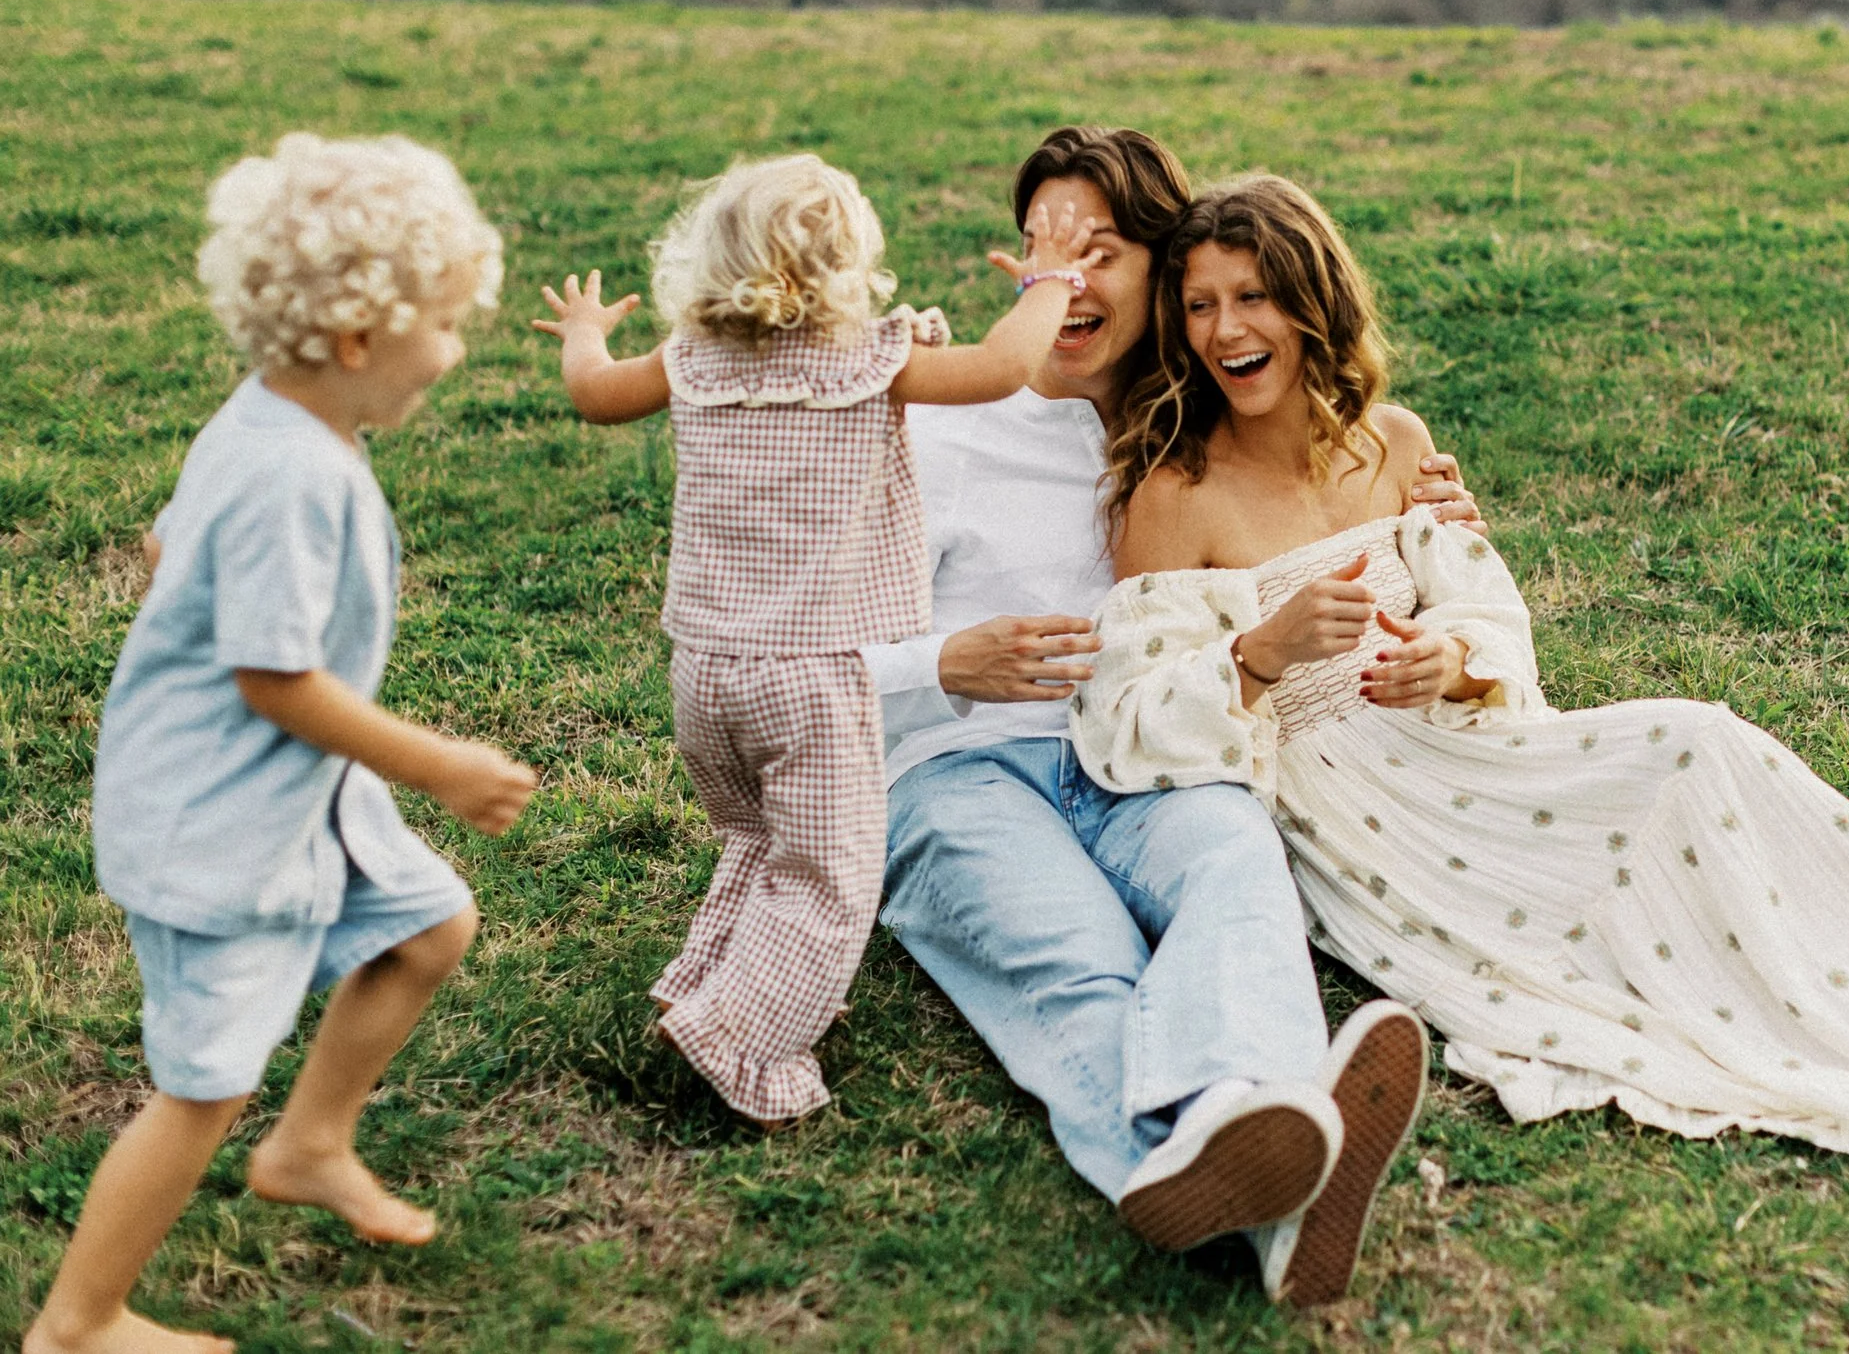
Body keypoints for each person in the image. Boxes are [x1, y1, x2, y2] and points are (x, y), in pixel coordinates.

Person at [1075, 171, 1849, 1158]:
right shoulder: (1170, 495)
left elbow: (1481, 610)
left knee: (1698, 742)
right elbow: (1124, 725)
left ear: (1311, 302)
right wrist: (1254, 653)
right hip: (1355, 810)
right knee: (1615, 960)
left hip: (1468, 742)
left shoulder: (1392, 442)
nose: (1226, 328)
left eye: (1254, 295)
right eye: (1199, 304)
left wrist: (1450, 658)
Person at [862, 127, 1475, 1304]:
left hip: (1151, 757)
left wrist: (1430, 505)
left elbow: (1340, 492)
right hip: (971, 765)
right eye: (1044, 248)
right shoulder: (936, 424)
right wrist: (947, 659)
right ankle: (1243, 1182)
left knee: (1238, 873)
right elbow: (798, 651)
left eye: (1102, 250)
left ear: (1161, 275)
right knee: (1080, 960)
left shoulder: (1209, 423)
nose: (1069, 281)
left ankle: (1258, 1122)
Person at [29, 135, 539, 1354]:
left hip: (301, 795)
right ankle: (78, 1320)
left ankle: (311, 1143)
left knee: (429, 925)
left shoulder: (264, 418)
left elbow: (165, 548)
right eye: (448, 323)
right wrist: (443, 763)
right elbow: (274, 680)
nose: (457, 350)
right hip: (221, 818)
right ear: (360, 340)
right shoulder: (293, 476)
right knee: (202, 1084)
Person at [531, 154, 1103, 1123]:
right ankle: (744, 1041)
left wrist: (584, 331)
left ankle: (702, 986)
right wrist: (1050, 275)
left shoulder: (688, 357)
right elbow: (1006, 365)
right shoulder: (872, 360)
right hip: (811, 673)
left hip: (703, 669)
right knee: (831, 874)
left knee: (752, 835)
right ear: (850, 263)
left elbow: (592, 392)